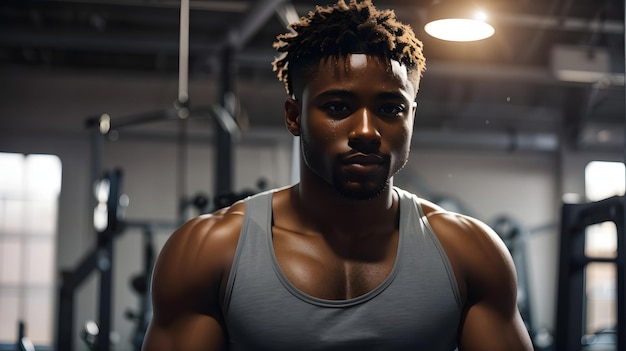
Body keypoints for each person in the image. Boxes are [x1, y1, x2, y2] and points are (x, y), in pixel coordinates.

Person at [141, 0, 534, 350]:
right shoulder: (208, 252)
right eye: (337, 107)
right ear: (294, 116)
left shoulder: (470, 252)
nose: (366, 131)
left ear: (412, 117)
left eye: (391, 109)